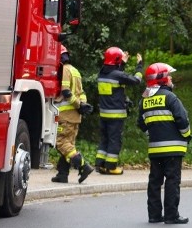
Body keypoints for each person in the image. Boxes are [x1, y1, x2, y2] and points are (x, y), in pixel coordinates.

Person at [137, 63, 191, 224]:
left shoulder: (145, 100)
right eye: (169, 75)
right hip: (174, 150)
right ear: (162, 79)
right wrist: (187, 136)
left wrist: (152, 134)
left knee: (155, 181)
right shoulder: (170, 97)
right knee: (172, 181)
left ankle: (154, 215)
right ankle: (171, 215)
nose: (171, 78)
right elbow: (182, 119)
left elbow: (141, 124)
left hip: (155, 150)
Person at [95, 46, 143, 174]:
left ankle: (100, 164)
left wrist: (122, 63)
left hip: (104, 114)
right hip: (115, 116)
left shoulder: (102, 73)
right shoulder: (117, 75)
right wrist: (139, 65)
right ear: (116, 60)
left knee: (104, 139)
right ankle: (111, 167)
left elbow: (116, 76)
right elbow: (136, 80)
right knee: (114, 140)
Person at [52, 45, 95, 184]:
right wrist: (82, 105)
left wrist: (78, 105)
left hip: (66, 115)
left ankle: (83, 165)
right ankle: (62, 174)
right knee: (69, 144)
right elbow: (81, 93)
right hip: (76, 116)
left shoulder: (64, 69)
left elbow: (66, 92)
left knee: (61, 143)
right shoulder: (75, 70)